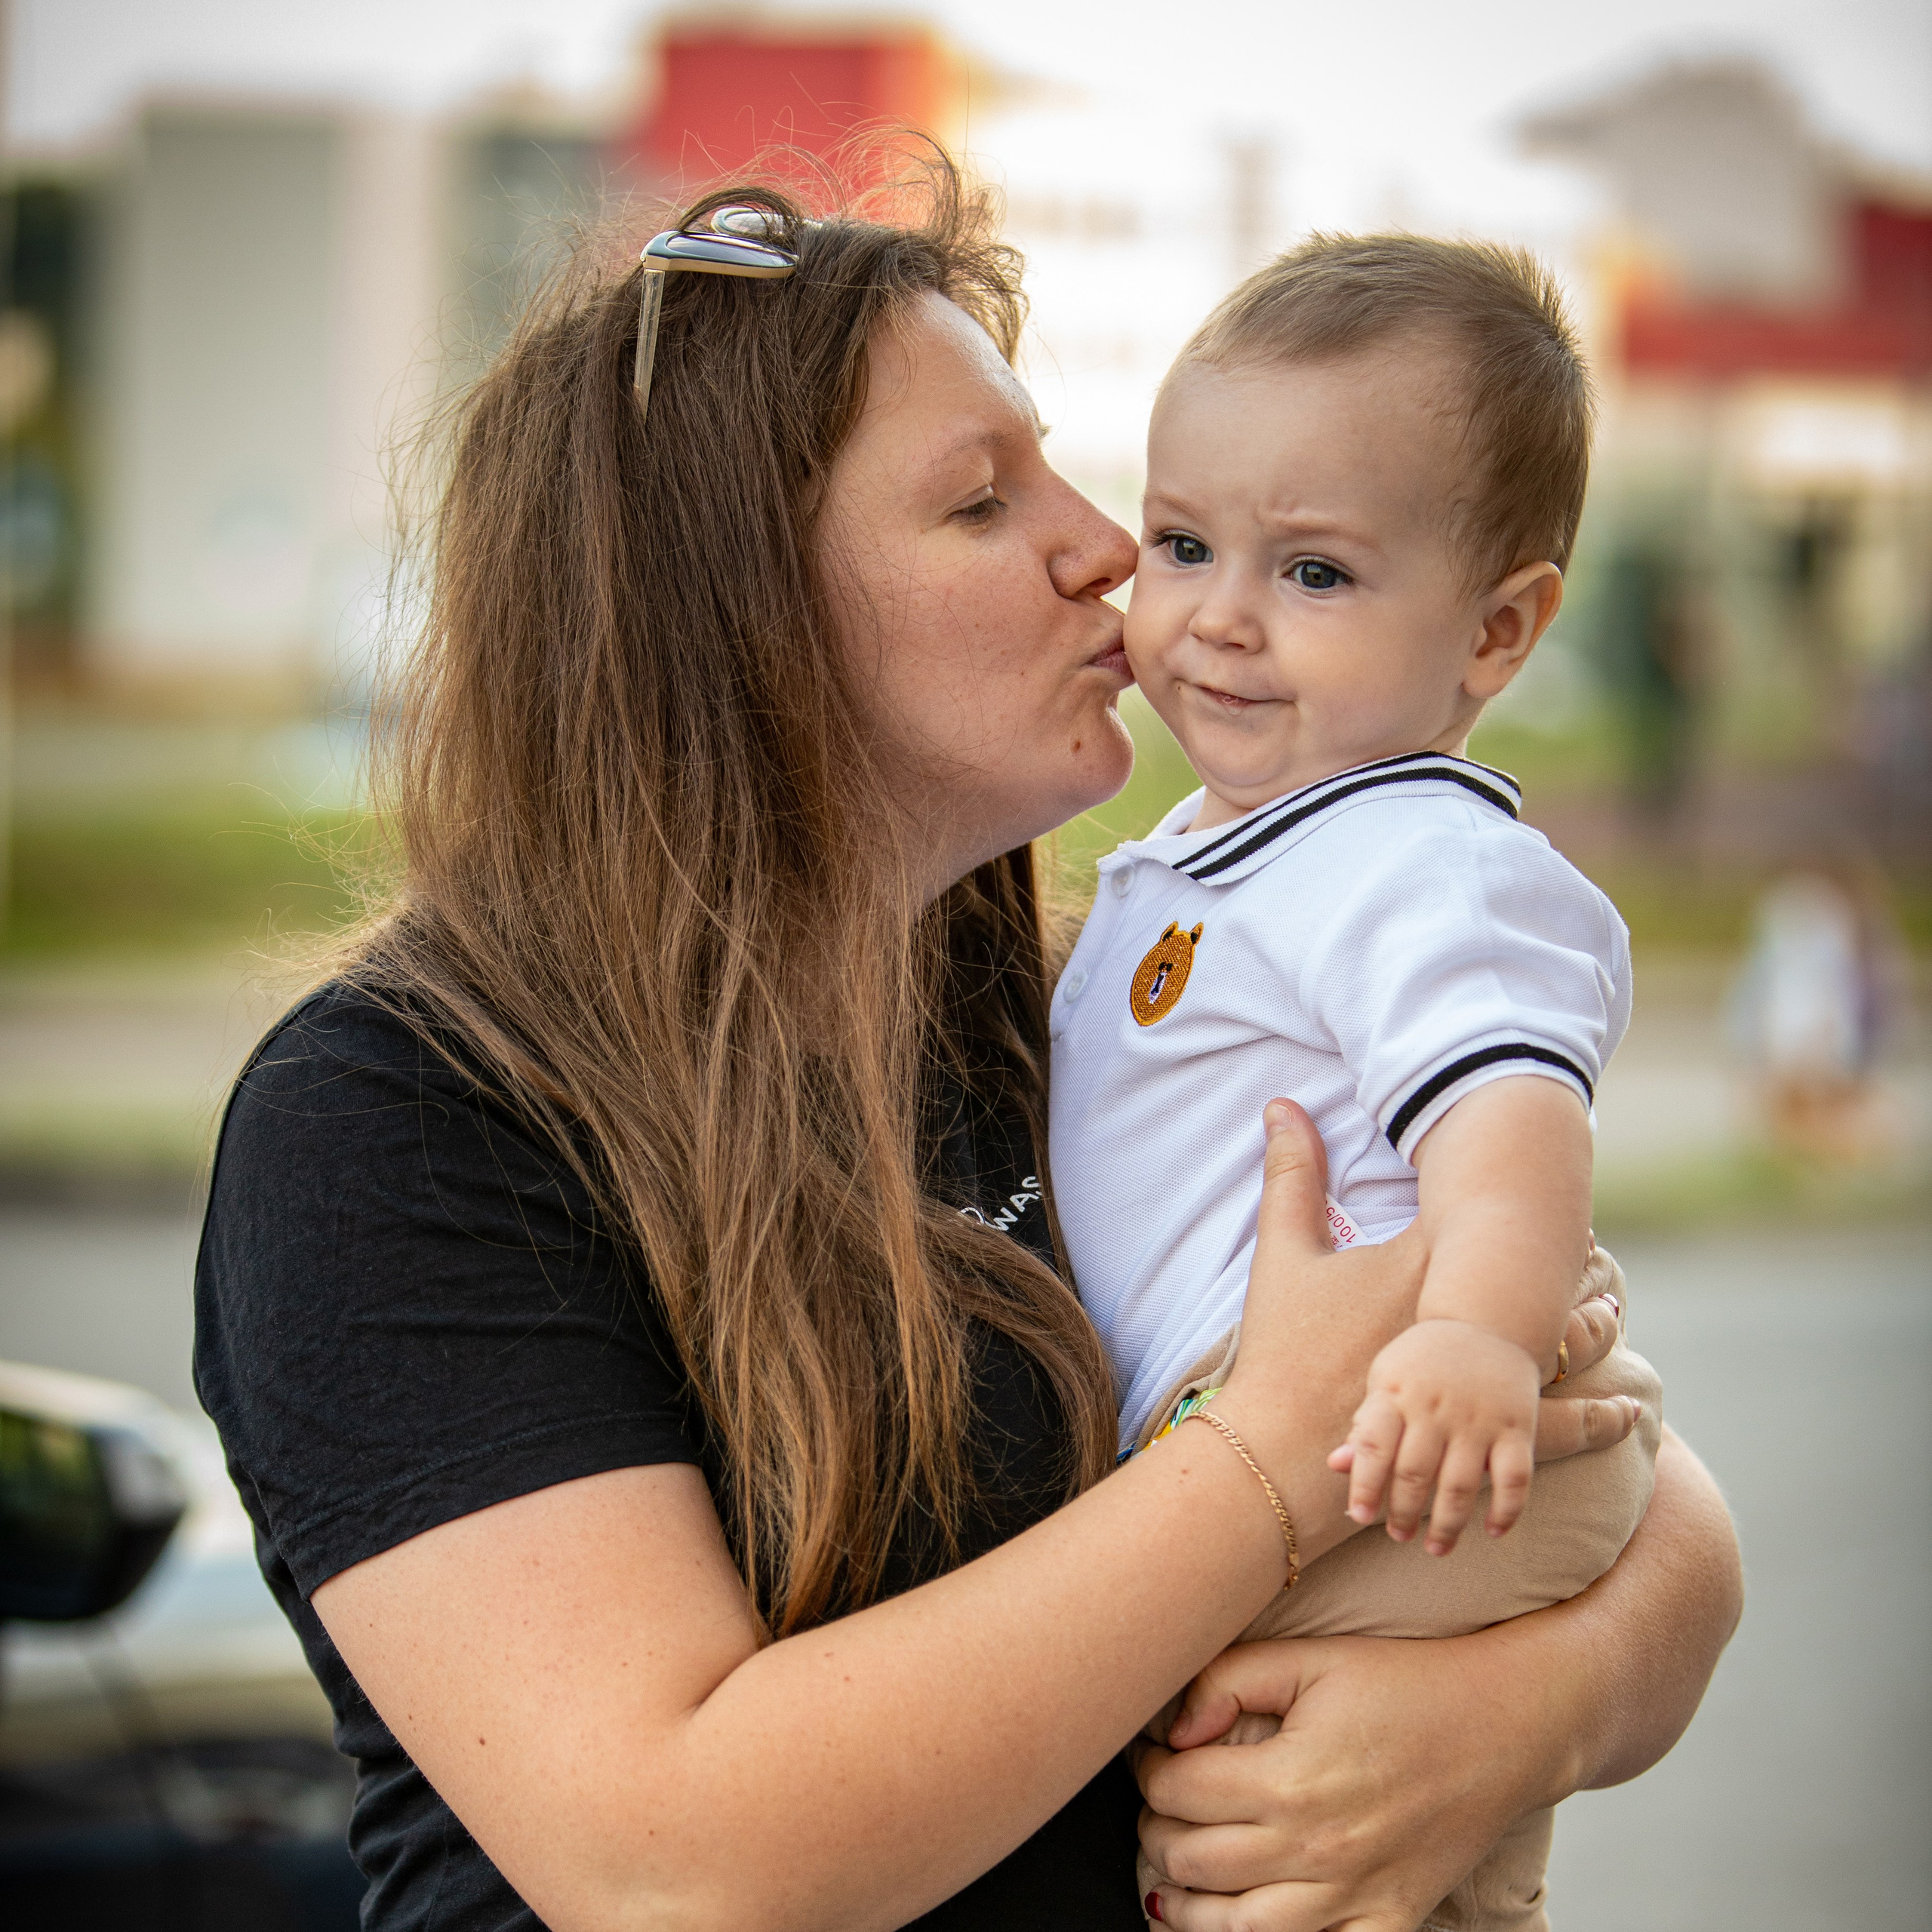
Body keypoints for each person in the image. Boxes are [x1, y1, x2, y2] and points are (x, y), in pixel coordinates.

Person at [194, 170, 1741, 1932]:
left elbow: (1633, 1468)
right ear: (738, 611)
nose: (1104, 549)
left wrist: (1530, 1705)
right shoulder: (402, 1117)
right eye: (980, 502)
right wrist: (1269, 1452)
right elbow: (668, 1859)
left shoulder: (1066, 1002)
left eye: (1066, 474)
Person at [1049, 236, 1657, 1930]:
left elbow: (1510, 1118)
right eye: (1180, 545)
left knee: (1279, 1847)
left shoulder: (1413, 859)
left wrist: (1471, 1332)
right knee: (1364, 1865)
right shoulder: (1229, 847)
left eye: (1312, 573)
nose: (1217, 616)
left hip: (1404, 1443)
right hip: (1327, 1443)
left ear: (1496, 628)